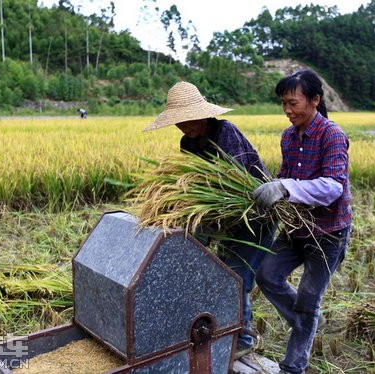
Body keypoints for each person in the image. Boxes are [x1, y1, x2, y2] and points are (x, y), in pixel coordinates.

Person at [144, 81, 275, 357]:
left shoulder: (224, 131)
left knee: (235, 277)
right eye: (178, 122)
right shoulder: (187, 143)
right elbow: (194, 185)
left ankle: (243, 342)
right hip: (227, 220)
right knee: (221, 275)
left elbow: (235, 181)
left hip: (255, 215)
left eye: (188, 119)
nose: (184, 127)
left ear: (202, 113)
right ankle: (226, 332)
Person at [252, 69, 352, 374]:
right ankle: (307, 323)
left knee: (309, 297)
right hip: (296, 228)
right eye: (283, 104)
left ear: (314, 100)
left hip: (328, 233)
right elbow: (286, 176)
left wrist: (285, 187)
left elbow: (334, 186)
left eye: (293, 103)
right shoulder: (288, 136)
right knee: (266, 274)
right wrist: (273, 187)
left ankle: (293, 366)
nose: (287, 110)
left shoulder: (331, 135)